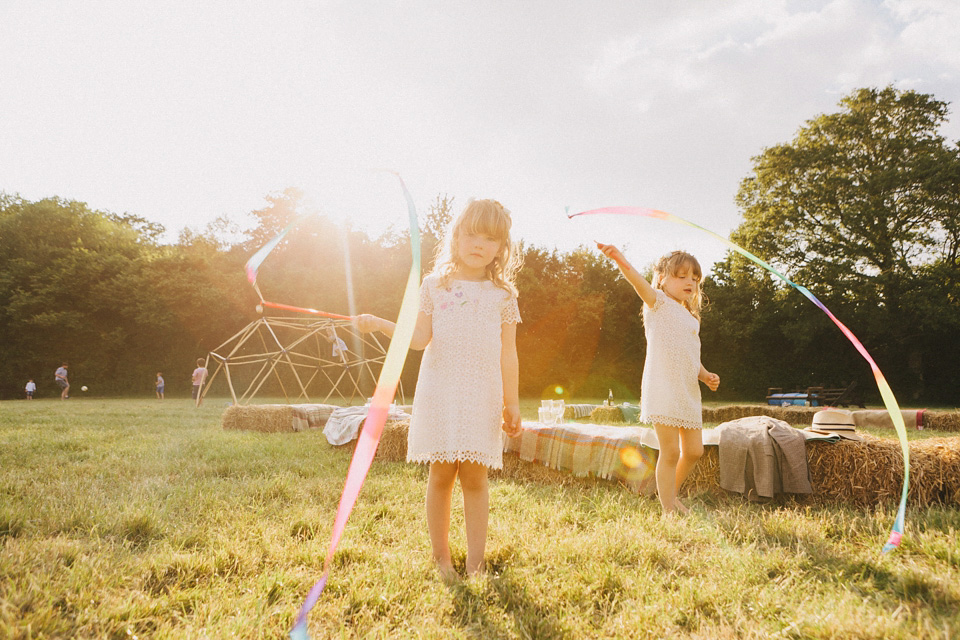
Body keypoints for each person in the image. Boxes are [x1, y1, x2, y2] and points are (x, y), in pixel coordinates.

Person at [354, 199, 523, 580]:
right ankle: (441, 558)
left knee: (476, 479)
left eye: (490, 238)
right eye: (472, 234)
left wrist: (511, 402)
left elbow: (508, 353)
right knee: (442, 474)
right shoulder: (434, 285)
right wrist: (380, 323)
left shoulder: (503, 295)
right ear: (456, 237)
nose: (479, 244)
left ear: (501, 248)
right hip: (440, 391)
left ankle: (477, 563)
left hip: (483, 392)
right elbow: (418, 339)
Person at [597, 244, 720, 515]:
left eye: (695, 278)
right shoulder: (657, 303)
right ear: (662, 278)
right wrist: (620, 259)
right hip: (663, 387)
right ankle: (668, 510)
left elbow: (691, 356)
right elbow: (636, 281)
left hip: (687, 391)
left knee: (695, 451)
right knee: (671, 451)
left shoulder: (691, 318)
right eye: (682, 275)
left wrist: (705, 374)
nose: (690, 282)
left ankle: (669, 494)